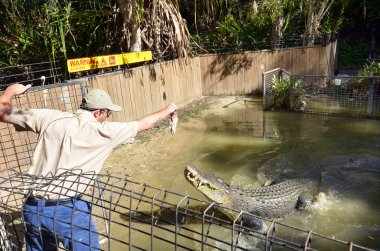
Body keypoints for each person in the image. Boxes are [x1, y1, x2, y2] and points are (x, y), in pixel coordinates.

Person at [0, 83, 177, 250]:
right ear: (97, 113)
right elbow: (145, 124)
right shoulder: (104, 132)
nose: (108, 117)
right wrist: (168, 109)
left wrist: (11, 90)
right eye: (108, 113)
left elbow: (2, 111)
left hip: (32, 206)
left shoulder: (49, 117)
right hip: (66, 210)